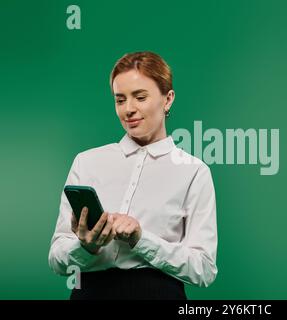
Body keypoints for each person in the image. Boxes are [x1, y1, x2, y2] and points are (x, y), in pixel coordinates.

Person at [48, 51, 218, 300]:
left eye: (140, 97)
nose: (129, 109)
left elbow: (203, 269)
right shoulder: (86, 162)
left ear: (167, 99)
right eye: (120, 99)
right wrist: (86, 246)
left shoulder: (194, 171)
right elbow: (56, 259)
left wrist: (141, 238)